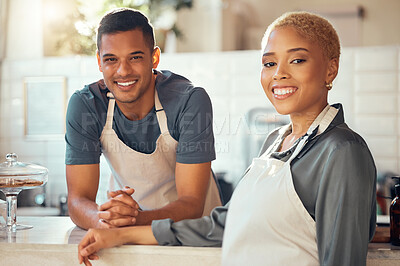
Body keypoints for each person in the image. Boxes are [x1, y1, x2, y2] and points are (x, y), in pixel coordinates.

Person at [77, 11, 377, 266]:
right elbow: (223, 225)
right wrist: (121, 234)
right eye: (270, 63)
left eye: (297, 60)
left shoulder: (342, 151)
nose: (279, 74)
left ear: (331, 68)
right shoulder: (276, 143)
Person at [65, 8, 222, 230]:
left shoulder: (189, 101)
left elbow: (192, 205)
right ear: (99, 62)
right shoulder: (87, 105)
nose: (123, 71)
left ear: (154, 58)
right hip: (130, 237)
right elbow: (77, 201)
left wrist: (134, 220)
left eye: (135, 57)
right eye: (111, 59)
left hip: (193, 234)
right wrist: (107, 220)